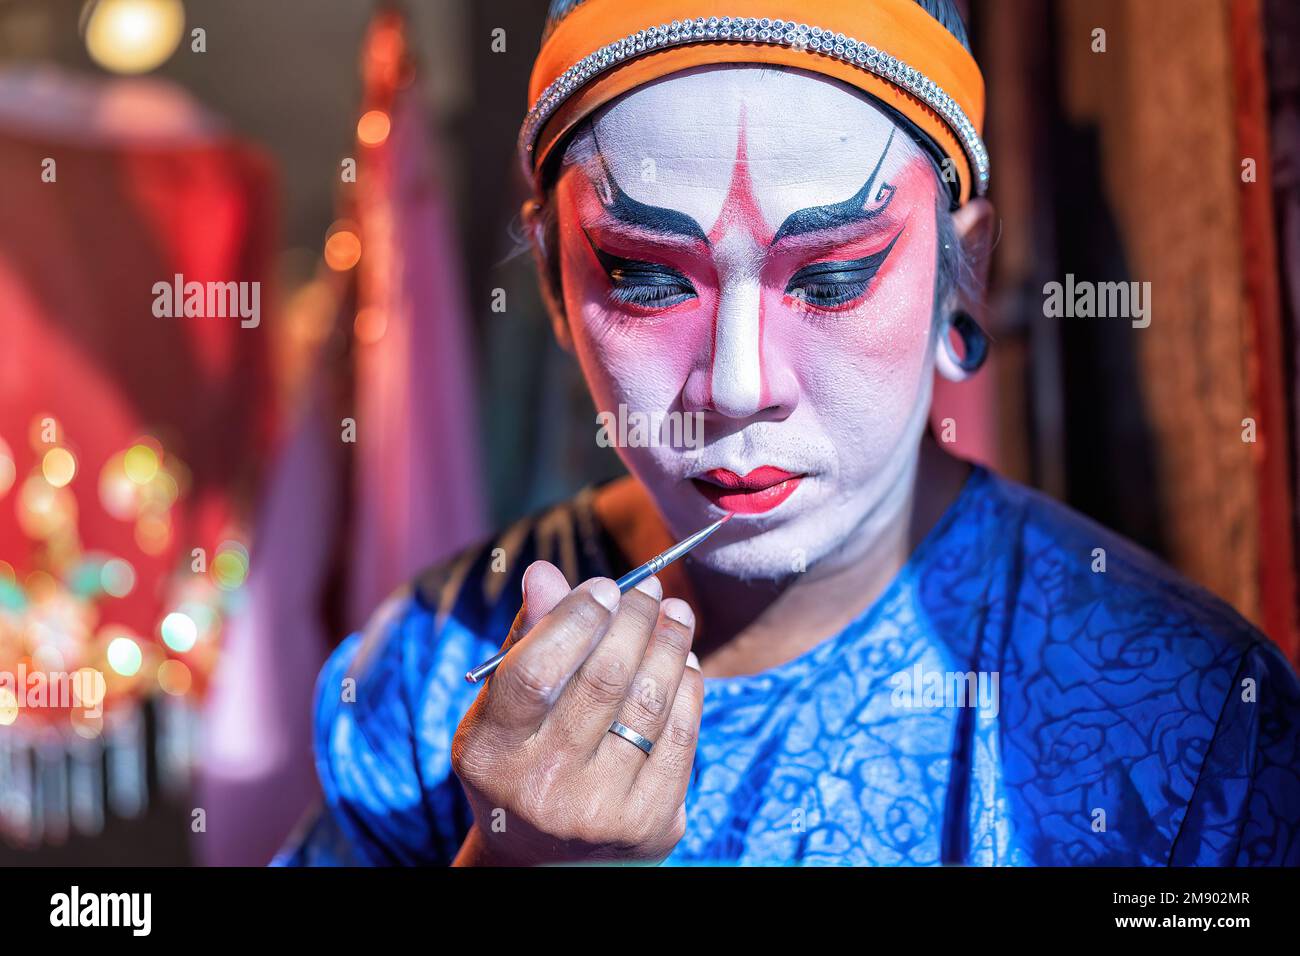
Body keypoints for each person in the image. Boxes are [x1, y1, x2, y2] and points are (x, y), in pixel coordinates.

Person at [275, 0, 1300, 866]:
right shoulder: (426, 668)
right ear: (551, 278)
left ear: (960, 270)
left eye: (832, 275)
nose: (736, 385)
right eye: (641, 275)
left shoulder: (1188, 723)